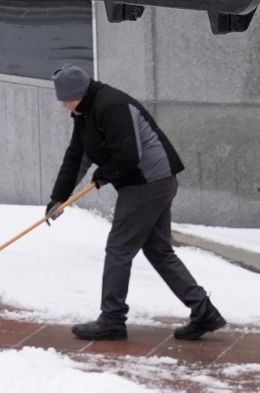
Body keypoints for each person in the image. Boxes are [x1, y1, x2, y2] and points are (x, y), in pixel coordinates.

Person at [46, 65, 225, 342]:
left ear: (78, 94)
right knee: (159, 251)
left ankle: (112, 319)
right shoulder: (84, 112)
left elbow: (128, 154)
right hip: (149, 182)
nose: (62, 105)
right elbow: (77, 154)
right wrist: (59, 197)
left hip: (148, 183)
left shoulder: (111, 106)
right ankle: (204, 311)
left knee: (119, 249)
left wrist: (102, 175)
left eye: (65, 99)